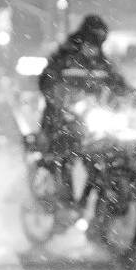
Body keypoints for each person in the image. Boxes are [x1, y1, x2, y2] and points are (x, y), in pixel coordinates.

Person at [36, 14, 128, 184]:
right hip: (62, 119)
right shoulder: (63, 59)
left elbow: (120, 86)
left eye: (98, 43)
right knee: (62, 151)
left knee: (121, 147)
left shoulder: (103, 64)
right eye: (91, 42)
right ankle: (61, 192)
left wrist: (133, 101)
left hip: (93, 122)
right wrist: (66, 98)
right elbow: (47, 82)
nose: (94, 48)